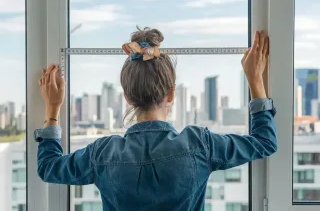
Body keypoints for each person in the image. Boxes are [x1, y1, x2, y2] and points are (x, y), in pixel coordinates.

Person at [35, 28, 277, 211]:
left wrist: (53, 109)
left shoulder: (103, 154)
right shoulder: (199, 144)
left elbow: (48, 168)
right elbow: (265, 142)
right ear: (171, 93)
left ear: (127, 97)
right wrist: (256, 81)